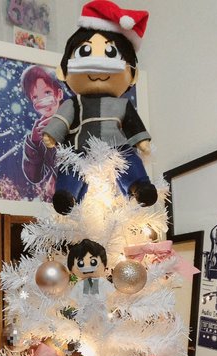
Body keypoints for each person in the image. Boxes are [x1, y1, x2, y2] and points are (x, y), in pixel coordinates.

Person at [42, 0, 157, 214]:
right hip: (80, 148)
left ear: (133, 76)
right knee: (71, 166)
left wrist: (142, 141)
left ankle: (140, 188)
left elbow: (133, 124)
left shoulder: (122, 105)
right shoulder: (74, 103)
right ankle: (67, 195)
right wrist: (52, 134)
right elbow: (62, 120)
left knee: (129, 160)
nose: (97, 63)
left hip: (117, 147)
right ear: (62, 71)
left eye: (111, 53)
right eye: (85, 51)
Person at [20, 65, 64, 195]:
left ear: (59, 94)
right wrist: (34, 143)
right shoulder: (40, 132)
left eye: (47, 93)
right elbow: (35, 177)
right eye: (35, 97)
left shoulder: (74, 119)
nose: (43, 101)